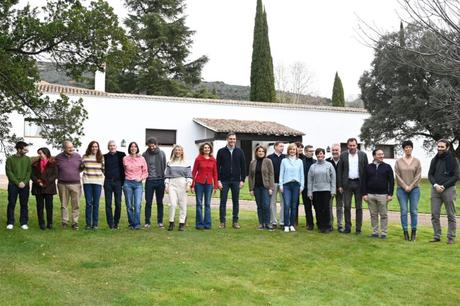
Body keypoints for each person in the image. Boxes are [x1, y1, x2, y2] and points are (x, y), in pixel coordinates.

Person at [428, 139, 459, 244]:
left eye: (442, 147)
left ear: (448, 147)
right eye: (438, 146)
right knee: (434, 214)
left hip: (449, 189)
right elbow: (430, 175)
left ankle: (451, 237)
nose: (439, 148)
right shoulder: (434, 160)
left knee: (451, 215)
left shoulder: (454, 160)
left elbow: (456, 176)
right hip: (435, 190)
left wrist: (444, 186)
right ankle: (437, 236)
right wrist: (436, 185)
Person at [337, 138, 368, 234]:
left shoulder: (363, 155)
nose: (352, 147)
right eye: (350, 145)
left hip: (359, 184)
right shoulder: (343, 155)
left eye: (354, 145)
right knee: (346, 206)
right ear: (347, 146)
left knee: (359, 207)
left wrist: (365, 187)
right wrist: (340, 185)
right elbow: (339, 171)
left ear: (357, 145)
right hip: (347, 184)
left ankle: (358, 229)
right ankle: (347, 228)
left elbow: (366, 171)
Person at [216, 132, 246, 229]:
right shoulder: (221, 151)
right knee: (223, 202)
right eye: (230, 139)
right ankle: (222, 222)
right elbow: (217, 167)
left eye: (234, 139)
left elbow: (243, 167)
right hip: (224, 180)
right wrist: (218, 180)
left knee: (235, 202)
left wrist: (242, 180)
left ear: (235, 140)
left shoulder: (240, 152)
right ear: (227, 139)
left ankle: (235, 222)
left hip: (236, 181)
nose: (232, 140)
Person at [363, 149, 394, 239]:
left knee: (383, 215)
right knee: (373, 215)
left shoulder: (387, 167)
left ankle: (384, 233)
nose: (381, 156)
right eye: (379, 154)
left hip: (383, 195)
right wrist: (364, 194)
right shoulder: (368, 167)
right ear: (374, 156)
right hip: (370, 195)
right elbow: (364, 181)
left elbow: (391, 181)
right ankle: (375, 232)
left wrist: (390, 194)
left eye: (382, 154)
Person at [394, 140, 421, 241]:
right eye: (406, 147)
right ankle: (405, 232)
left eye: (409, 147)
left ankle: (413, 232)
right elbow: (397, 175)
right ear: (403, 149)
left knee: (413, 211)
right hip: (401, 190)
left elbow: (418, 176)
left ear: (412, 148)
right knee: (404, 211)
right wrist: (405, 186)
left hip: (414, 190)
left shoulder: (417, 161)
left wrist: (411, 186)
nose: (408, 149)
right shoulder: (398, 161)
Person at [165, 145, 192, 231]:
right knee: (173, 204)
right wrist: (166, 185)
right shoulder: (169, 162)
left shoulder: (186, 163)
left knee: (183, 205)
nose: (178, 152)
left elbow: (189, 175)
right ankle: (171, 222)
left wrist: (188, 184)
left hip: (183, 184)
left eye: (179, 150)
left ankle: (181, 223)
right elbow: (167, 175)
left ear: (182, 152)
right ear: (174, 151)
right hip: (172, 184)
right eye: (176, 150)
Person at [307, 148, 336, 233]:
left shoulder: (329, 165)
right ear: (316, 155)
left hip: (326, 190)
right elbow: (310, 180)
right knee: (318, 209)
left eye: (321, 154)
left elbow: (333, 179)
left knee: (326, 209)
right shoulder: (313, 166)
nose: (320, 155)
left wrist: (333, 190)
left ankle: (327, 226)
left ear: (324, 155)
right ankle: (320, 226)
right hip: (316, 191)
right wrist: (309, 192)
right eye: (318, 154)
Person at [55, 141, 82, 230]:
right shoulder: (58, 158)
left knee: (76, 205)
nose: (71, 149)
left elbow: (81, 168)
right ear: (64, 148)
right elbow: (55, 170)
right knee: (64, 205)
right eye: (69, 147)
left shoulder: (78, 156)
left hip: (76, 184)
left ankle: (75, 222)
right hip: (62, 184)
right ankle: (64, 222)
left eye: (72, 147)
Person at [192, 142, 218, 230]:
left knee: (207, 204)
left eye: (208, 148)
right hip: (199, 183)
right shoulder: (198, 159)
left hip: (209, 184)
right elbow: (194, 172)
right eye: (205, 148)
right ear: (202, 149)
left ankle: (207, 224)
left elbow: (215, 173)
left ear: (210, 149)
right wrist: (192, 185)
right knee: (199, 204)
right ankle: (199, 224)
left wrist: (215, 186)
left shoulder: (213, 160)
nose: (207, 149)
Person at [5, 141, 31, 230]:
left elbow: (29, 172)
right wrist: (17, 182)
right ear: (19, 149)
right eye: (24, 149)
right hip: (13, 185)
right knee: (11, 203)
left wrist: (24, 182)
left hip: (25, 185)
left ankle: (23, 222)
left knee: (24, 204)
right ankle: (10, 222)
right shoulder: (10, 159)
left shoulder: (28, 159)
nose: (26, 151)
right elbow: (9, 172)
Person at [248, 145, 275, 230]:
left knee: (266, 205)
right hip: (256, 187)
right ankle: (261, 223)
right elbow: (250, 176)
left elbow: (271, 175)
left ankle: (267, 223)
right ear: (256, 152)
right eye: (259, 151)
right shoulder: (252, 162)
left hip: (265, 187)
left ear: (265, 153)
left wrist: (271, 187)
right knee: (259, 206)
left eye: (262, 151)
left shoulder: (268, 161)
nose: (261, 153)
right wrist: (251, 189)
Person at [279, 143, 304, 232]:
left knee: (294, 206)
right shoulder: (284, 161)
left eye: (294, 149)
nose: (292, 151)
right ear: (288, 150)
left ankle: (292, 224)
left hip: (296, 185)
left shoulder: (299, 161)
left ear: (296, 151)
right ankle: (286, 224)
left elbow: (302, 175)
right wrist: (281, 185)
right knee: (286, 205)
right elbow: (281, 174)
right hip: (286, 185)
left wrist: (302, 186)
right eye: (291, 149)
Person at [142, 137, 167, 228]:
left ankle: (160, 222)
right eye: (150, 146)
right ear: (148, 146)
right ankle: (147, 222)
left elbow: (164, 166)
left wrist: (163, 179)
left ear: (156, 145)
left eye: (153, 146)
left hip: (160, 180)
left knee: (159, 202)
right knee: (148, 202)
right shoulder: (144, 154)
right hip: (149, 181)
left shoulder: (162, 153)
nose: (152, 147)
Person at [31, 147, 58, 230]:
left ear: (46, 153)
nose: (40, 155)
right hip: (38, 187)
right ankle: (41, 223)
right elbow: (32, 175)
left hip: (49, 187)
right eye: (39, 153)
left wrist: (46, 182)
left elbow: (55, 175)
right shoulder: (35, 163)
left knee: (49, 206)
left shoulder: (53, 163)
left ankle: (49, 223)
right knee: (40, 206)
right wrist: (38, 181)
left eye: (41, 153)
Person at [123, 142, 148, 230]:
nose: (133, 148)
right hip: (127, 183)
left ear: (137, 148)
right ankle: (131, 223)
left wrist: (141, 178)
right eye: (132, 147)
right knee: (129, 205)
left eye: (135, 147)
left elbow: (145, 172)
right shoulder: (125, 159)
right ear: (129, 148)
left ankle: (136, 224)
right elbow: (122, 170)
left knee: (137, 204)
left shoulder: (142, 159)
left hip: (138, 184)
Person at [81, 141, 105, 230]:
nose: (94, 148)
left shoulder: (101, 157)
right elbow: (80, 167)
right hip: (87, 182)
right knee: (88, 203)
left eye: (96, 146)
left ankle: (95, 224)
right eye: (93, 146)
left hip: (97, 182)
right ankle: (88, 224)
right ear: (90, 147)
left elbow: (104, 170)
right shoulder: (85, 157)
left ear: (98, 148)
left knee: (96, 203)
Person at [103, 140, 126, 229]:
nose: (112, 147)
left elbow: (129, 160)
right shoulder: (104, 156)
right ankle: (110, 223)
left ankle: (116, 223)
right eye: (110, 146)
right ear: (108, 147)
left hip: (118, 182)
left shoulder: (121, 155)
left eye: (113, 145)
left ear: (116, 147)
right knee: (108, 204)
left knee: (118, 203)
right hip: (108, 181)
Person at [267, 142, 285, 228]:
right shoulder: (269, 158)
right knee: (272, 203)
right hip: (272, 183)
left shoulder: (285, 157)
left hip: (283, 183)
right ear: (275, 147)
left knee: (283, 203)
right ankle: (273, 221)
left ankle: (282, 222)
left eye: (283, 146)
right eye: (281, 146)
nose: (282, 148)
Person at [326, 144, 344, 232]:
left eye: (336, 150)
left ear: (340, 151)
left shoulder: (344, 161)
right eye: (333, 150)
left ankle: (340, 225)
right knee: (329, 207)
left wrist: (342, 186)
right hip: (329, 188)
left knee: (340, 207)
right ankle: (330, 224)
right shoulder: (327, 161)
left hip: (340, 188)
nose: (334, 152)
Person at [301, 145, 316, 230]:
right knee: (307, 207)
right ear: (305, 152)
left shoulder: (316, 162)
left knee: (317, 207)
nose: (312, 153)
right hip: (305, 188)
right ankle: (310, 224)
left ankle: (319, 222)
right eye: (310, 151)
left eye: (312, 151)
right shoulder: (301, 162)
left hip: (315, 188)